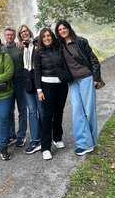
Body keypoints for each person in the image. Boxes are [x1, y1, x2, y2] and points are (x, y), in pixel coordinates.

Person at [55, 20, 102, 156]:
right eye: (59, 29)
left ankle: (92, 142)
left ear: (69, 28)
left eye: (64, 28)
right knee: (77, 112)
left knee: (89, 111)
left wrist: (96, 78)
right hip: (73, 82)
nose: (62, 31)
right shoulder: (60, 46)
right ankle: (84, 143)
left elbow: (93, 60)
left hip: (86, 78)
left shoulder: (81, 41)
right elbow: (43, 42)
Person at [34, 28, 71, 160]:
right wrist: (39, 90)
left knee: (59, 112)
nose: (47, 38)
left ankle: (57, 137)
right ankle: (45, 147)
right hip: (46, 86)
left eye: (49, 36)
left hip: (61, 85)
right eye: (44, 37)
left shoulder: (59, 48)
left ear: (52, 37)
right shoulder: (38, 52)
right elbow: (37, 72)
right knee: (47, 116)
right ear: (41, 39)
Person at [18, 25, 42, 155]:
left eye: (26, 31)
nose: (24, 33)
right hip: (27, 83)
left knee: (42, 111)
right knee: (32, 112)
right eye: (22, 32)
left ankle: (45, 138)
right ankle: (35, 140)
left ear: (29, 32)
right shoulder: (20, 48)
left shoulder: (37, 43)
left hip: (38, 82)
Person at [3, 27, 27, 147]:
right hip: (7, 85)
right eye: (7, 35)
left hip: (20, 83)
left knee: (22, 110)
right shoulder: (1, 48)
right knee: (9, 110)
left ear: (14, 36)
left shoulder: (20, 48)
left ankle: (21, 135)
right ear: (4, 36)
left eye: (12, 35)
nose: (10, 37)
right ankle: (12, 134)